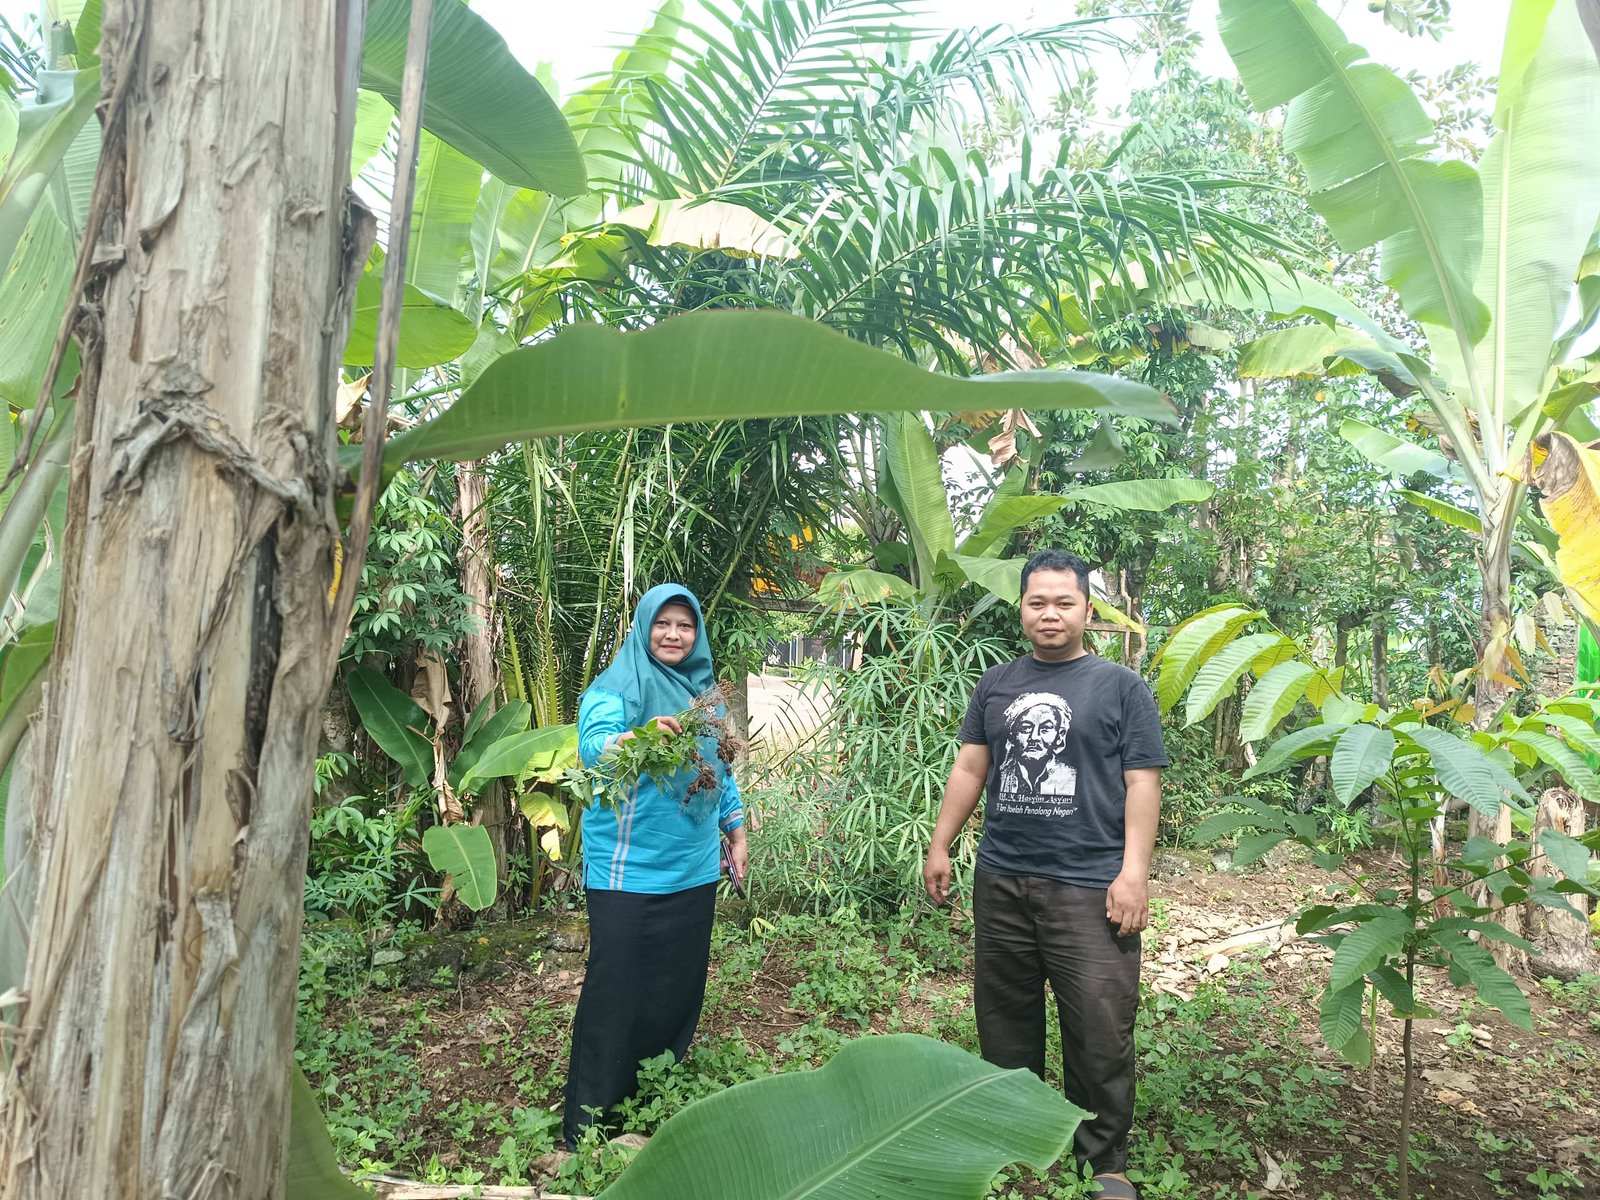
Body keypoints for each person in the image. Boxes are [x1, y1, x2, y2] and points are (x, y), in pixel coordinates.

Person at [923, 550, 1166, 1200]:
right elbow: (972, 768)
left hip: (1090, 886)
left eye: (1064, 602)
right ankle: (1014, 1137)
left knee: (1100, 1026)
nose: (1050, 614)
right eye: (1038, 602)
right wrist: (941, 843)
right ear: (1022, 608)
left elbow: (1142, 782)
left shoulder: (1121, 688)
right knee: (1005, 1020)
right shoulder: (996, 683)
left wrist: (1134, 872)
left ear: (1087, 610)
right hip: (1002, 880)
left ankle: (1102, 1162)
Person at [562, 584, 748, 1147]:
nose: (673, 635)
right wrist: (639, 735)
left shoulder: (702, 695)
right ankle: (588, 1122)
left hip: (692, 868)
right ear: (644, 627)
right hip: (629, 873)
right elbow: (594, 748)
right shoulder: (617, 687)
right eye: (662, 624)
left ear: (697, 634)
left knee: (675, 987)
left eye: (684, 626)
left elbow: (721, 769)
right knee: (616, 991)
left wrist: (735, 832)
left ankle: (650, 1096)